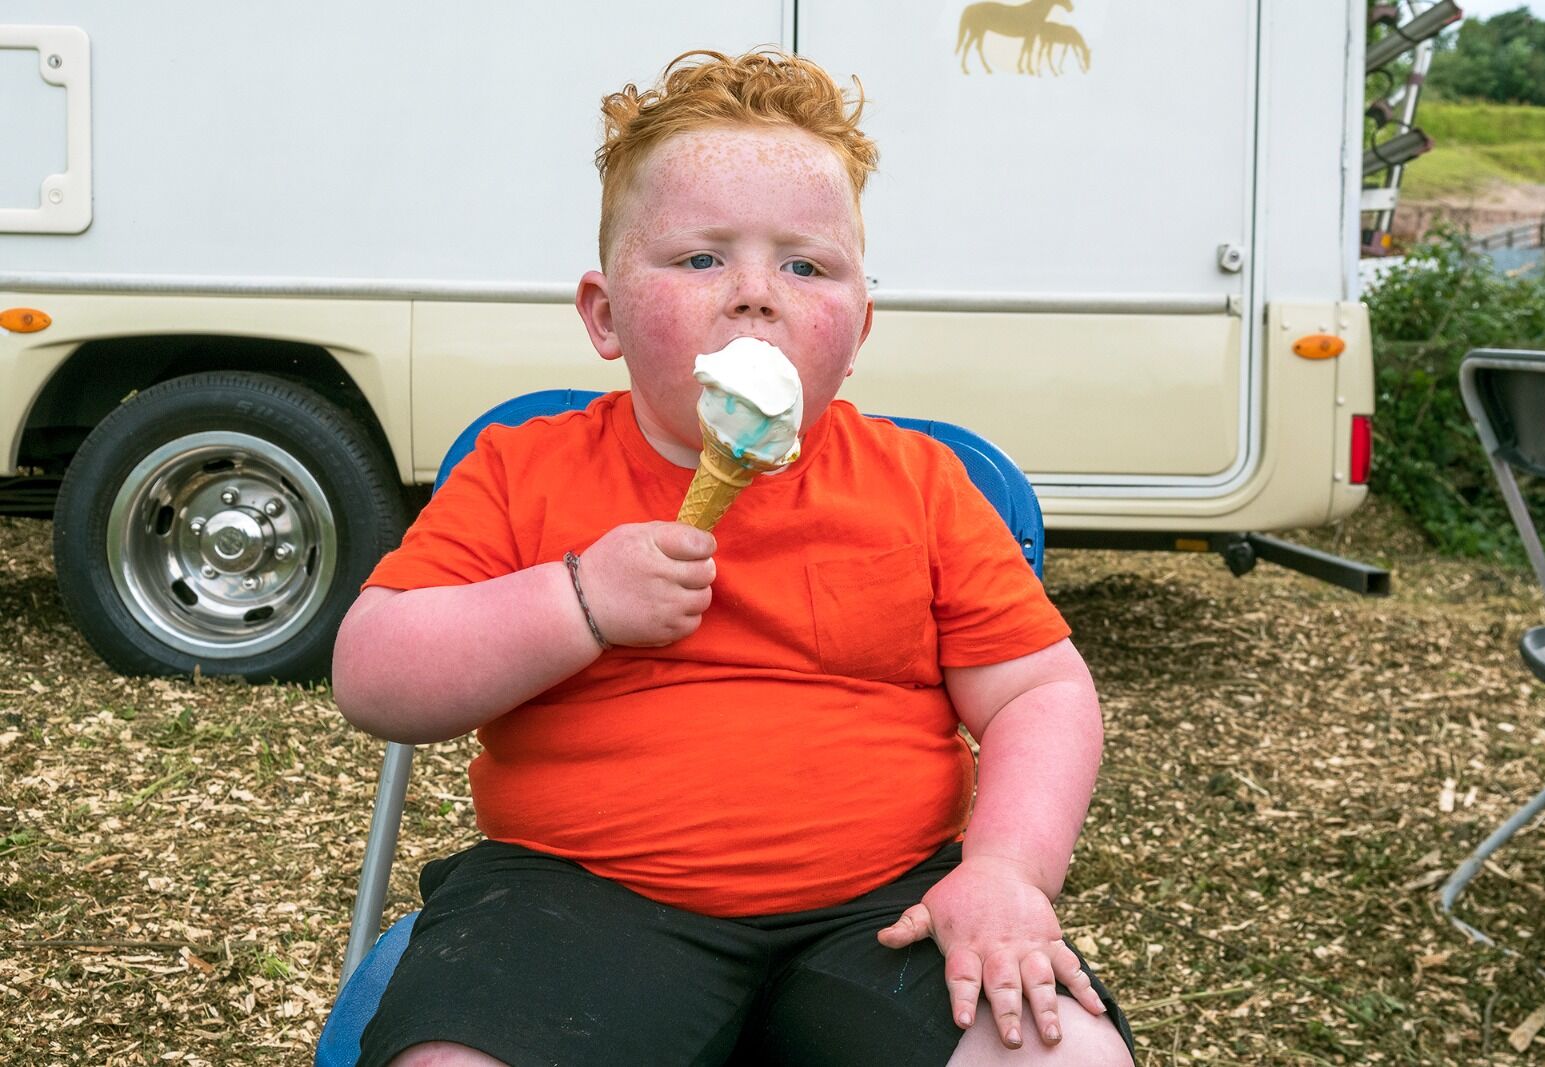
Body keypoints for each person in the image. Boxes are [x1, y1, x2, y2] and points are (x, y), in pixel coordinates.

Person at [332, 49, 1135, 1067]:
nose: (756, 293)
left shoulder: (921, 483)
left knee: (1059, 1054)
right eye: (700, 259)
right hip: (575, 897)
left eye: (805, 265)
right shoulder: (522, 469)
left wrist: (1007, 869)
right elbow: (374, 673)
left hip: (887, 906)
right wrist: (574, 600)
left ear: (858, 329)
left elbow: (1038, 692)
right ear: (604, 313)